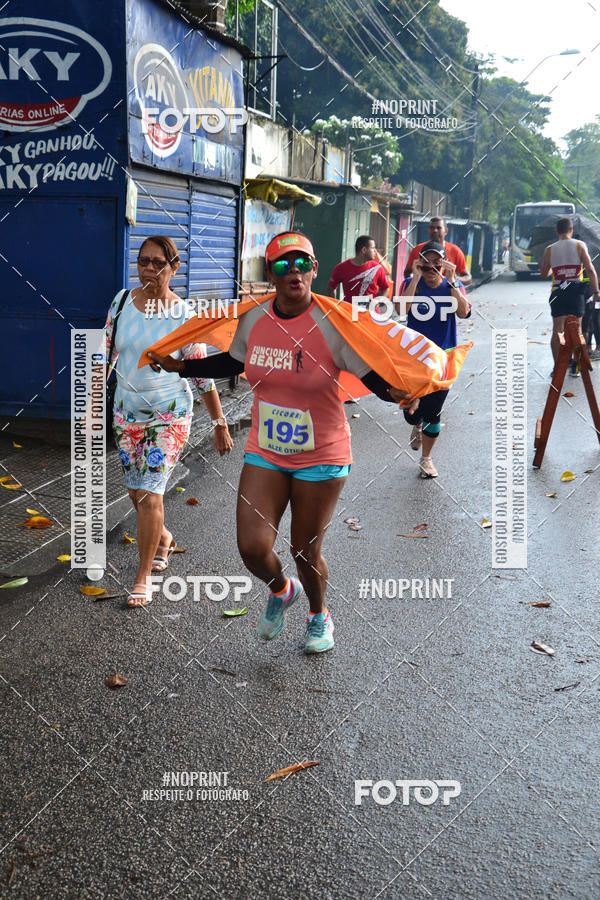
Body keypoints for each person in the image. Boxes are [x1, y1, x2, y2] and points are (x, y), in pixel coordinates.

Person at [148, 232, 415, 654]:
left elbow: (371, 376)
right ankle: (281, 589)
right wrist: (181, 367)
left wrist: (398, 395)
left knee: (305, 552)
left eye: (302, 263)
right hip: (267, 450)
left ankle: (318, 615)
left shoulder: (332, 323)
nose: (294, 271)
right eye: (282, 264)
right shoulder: (255, 319)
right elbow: (234, 360)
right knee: (252, 548)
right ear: (270, 274)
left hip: (322, 453)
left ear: (315, 269)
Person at [105, 235, 233, 607]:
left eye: (158, 263)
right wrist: (91, 403)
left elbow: (200, 374)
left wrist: (220, 423)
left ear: (174, 268)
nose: (148, 269)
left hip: (169, 415)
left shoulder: (183, 315)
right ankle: (163, 539)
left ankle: (142, 578)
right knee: (136, 493)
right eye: (143, 261)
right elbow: (106, 353)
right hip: (126, 414)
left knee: (148, 493)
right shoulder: (121, 302)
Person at [397, 241, 471, 478]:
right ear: (419, 264)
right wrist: (415, 278)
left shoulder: (453, 285)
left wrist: (452, 281)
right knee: (411, 414)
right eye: (425, 264)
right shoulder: (410, 284)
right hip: (414, 358)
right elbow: (401, 310)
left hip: (443, 358)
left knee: (433, 411)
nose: (431, 269)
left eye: (436, 264)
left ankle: (426, 459)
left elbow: (463, 312)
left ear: (444, 264)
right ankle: (416, 426)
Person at [540, 217, 600, 373]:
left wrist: (555, 268)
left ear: (556, 231)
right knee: (577, 331)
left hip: (558, 291)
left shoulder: (549, 249)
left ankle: (557, 367)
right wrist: (596, 292)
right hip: (575, 292)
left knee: (557, 331)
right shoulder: (580, 245)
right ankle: (576, 366)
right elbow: (590, 269)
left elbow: (544, 274)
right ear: (571, 230)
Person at [404, 217, 472, 286]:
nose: (435, 230)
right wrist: (416, 285)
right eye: (432, 228)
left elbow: (468, 278)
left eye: (439, 228)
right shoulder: (417, 250)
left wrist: (452, 283)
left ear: (446, 231)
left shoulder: (455, 251)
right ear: (428, 230)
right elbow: (407, 273)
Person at [327, 235, 390, 303]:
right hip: (349, 309)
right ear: (364, 250)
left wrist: (377, 302)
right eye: (373, 248)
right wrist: (335, 306)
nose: (375, 251)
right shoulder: (340, 268)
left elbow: (385, 288)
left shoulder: (377, 268)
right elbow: (331, 288)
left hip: (371, 310)